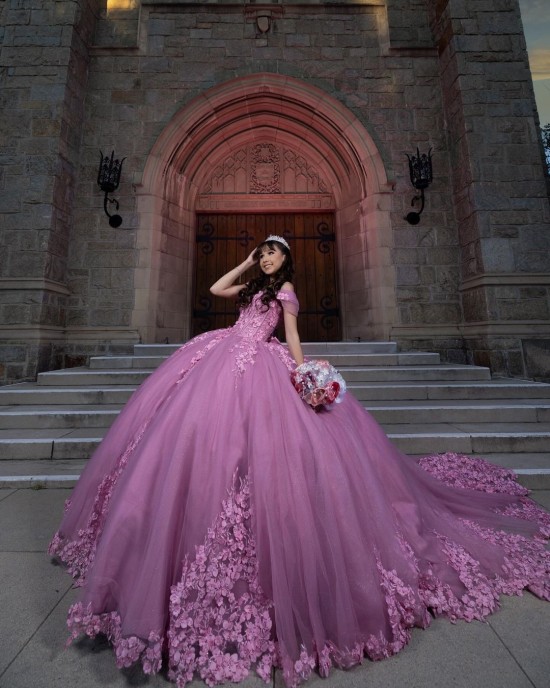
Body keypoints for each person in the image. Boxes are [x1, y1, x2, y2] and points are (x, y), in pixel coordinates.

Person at [49, 236, 549, 688]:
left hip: (259, 365)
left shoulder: (285, 292)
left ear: (288, 260)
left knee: (258, 447)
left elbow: (289, 335)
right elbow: (217, 287)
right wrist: (244, 262)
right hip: (221, 357)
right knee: (196, 437)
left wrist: (304, 372)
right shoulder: (251, 285)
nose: (266, 257)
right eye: (262, 251)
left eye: (272, 252)